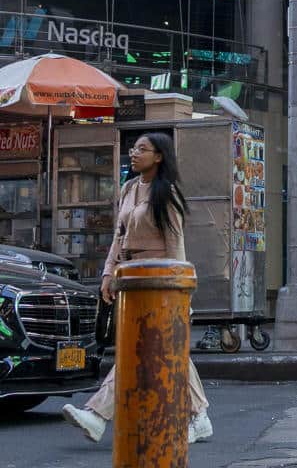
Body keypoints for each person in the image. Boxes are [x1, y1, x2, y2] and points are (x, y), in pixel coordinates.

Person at [62, 133, 212, 445]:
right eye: (134, 148)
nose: (134, 153)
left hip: (159, 282)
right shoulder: (129, 188)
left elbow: (176, 246)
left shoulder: (166, 194)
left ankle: (98, 414)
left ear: (159, 156)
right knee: (169, 349)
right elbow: (118, 237)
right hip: (130, 279)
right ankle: (199, 417)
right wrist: (107, 275)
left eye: (142, 149)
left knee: (138, 348)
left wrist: (179, 291)